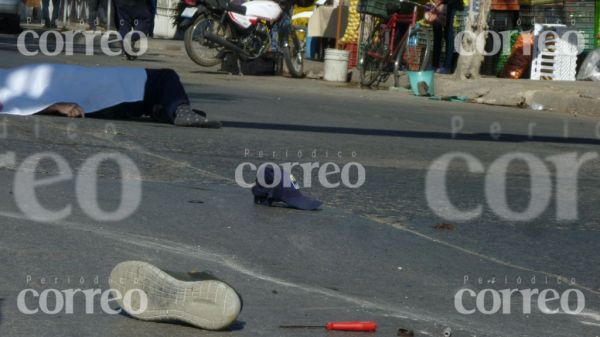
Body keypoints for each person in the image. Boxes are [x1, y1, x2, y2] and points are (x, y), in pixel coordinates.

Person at [0, 63, 221, 128]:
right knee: (163, 77)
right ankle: (177, 109)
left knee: (133, 87)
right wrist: (57, 106)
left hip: (73, 81)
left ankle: (164, 108)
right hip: (76, 88)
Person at [431, 0, 463, 74]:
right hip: (437, 5)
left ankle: (447, 66)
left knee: (447, 34)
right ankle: (435, 65)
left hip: (449, 4)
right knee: (437, 35)